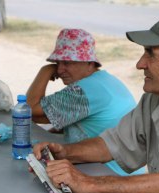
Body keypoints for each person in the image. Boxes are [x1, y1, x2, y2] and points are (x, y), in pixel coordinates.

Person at [32, 13, 159, 193]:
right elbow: (113, 144)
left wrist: (86, 182)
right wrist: (65, 152)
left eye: (150, 54)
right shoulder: (156, 100)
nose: (140, 64)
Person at [27, 28, 145, 176]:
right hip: (123, 171)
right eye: (57, 63)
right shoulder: (103, 81)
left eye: (67, 62)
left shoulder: (87, 90)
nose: (60, 69)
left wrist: (45, 71)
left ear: (90, 62)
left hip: (112, 173)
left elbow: (30, 112)